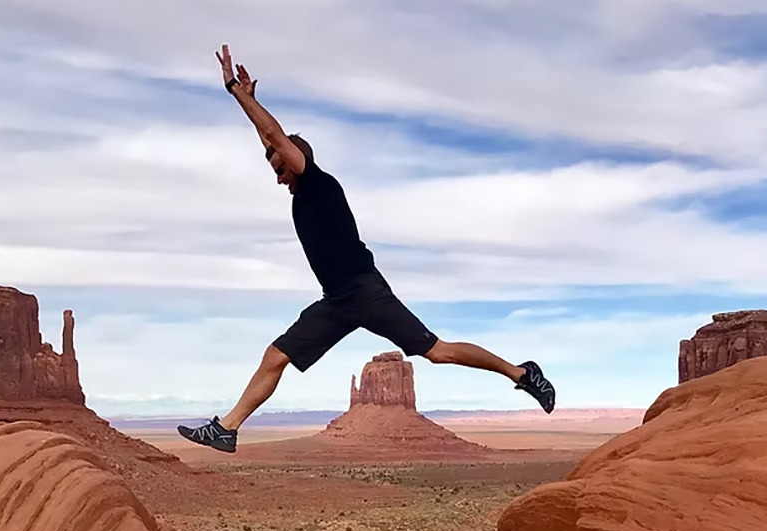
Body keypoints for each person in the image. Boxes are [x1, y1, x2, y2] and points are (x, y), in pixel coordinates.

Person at [178, 45, 555, 453]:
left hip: (365, 292)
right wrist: (252, 105)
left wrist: (238, 92)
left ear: (297, 158)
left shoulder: (319, 184)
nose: (279, 177)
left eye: (281, 168)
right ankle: (227, 428)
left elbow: (275, 136)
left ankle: (521, 373)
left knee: (437, 352)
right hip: (337, 300)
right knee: (275, 356)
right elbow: (271, 140)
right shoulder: (302, 190)